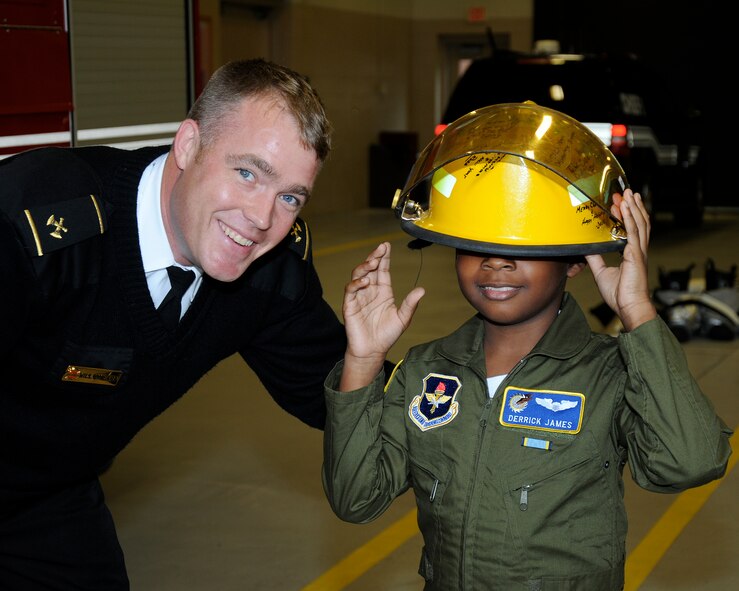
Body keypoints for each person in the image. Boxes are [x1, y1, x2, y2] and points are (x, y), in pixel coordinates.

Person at [322, 102, 732, 590]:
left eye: (525, 246)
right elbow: (355, 498)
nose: (496, 263)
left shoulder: (610, 373)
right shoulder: (426, 370)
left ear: (575, 260)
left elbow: (693, 460)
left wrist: (637, 311)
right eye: (476, 243)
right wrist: (363, 362)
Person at [0, 58, 346, 589]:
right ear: (187, 145)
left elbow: (333, 389)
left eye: (290, 197)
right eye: (247, 173)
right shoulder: (36, 223)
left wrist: (379, 360)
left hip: (47, 492)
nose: (261, 218)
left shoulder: (270, 271)